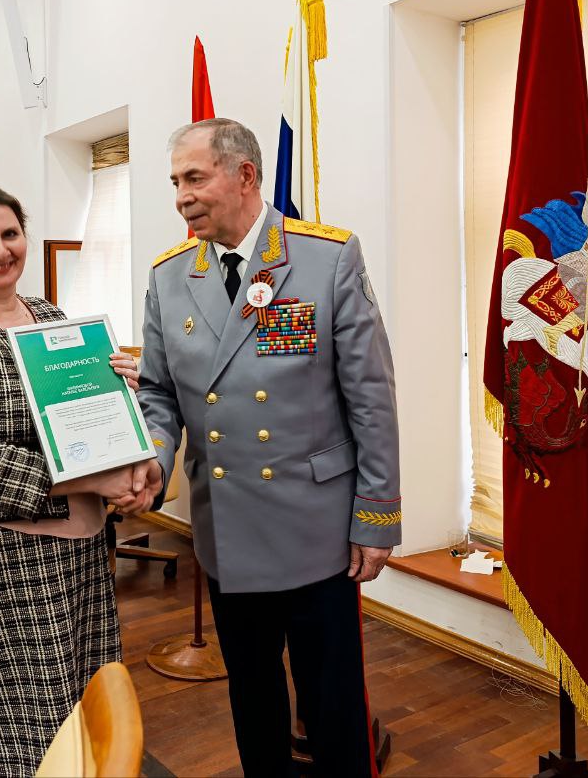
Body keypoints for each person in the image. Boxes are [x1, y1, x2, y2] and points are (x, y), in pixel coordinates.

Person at [137, 119, 401, 777]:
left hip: (317, 530)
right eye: (175, 181)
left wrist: (377, 515)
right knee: (253, 698)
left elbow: (370, 396)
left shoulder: (326, 257)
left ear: (245, 176)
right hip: (226, 529)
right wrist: (154, 460)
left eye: (194, 178)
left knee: (332, 704)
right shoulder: (170, 276)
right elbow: (159, 394)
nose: (181, 196)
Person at [0, 180, 159, 778]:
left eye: (10, 233)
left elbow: (80, 417)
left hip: (81, 550)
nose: (0, 250)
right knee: (18, 722)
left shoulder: (50, 318)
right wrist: (90, 482)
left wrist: (125, 404)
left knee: (85, 701)